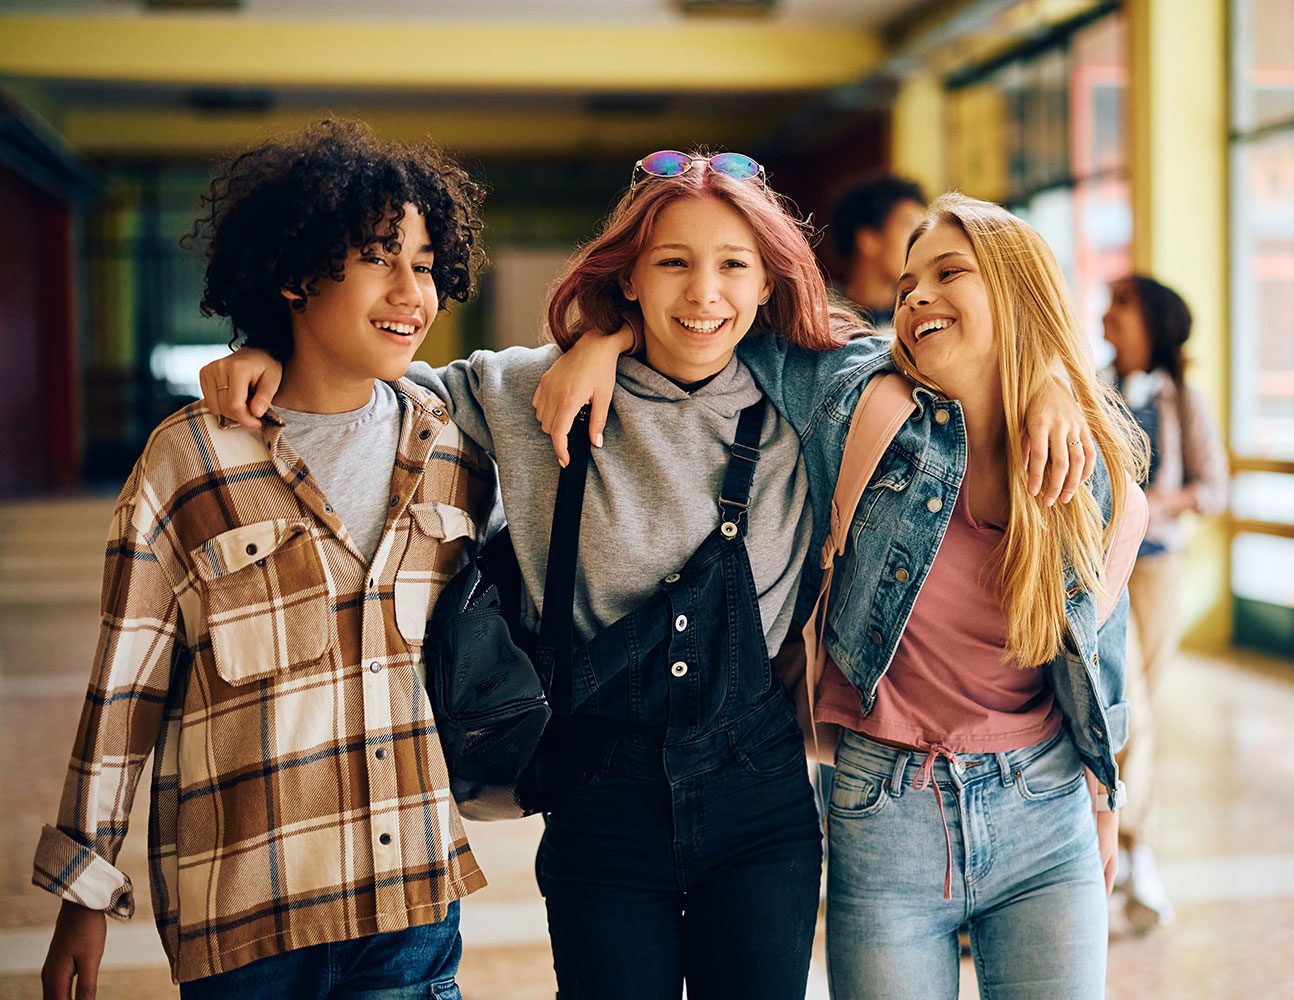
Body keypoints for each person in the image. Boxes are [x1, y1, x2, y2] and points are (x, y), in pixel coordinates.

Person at [202, 154, 1094, 999]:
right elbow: (371, 386)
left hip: (759, 797)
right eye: (673, 263)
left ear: (767, 282)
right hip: (599, 799)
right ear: (629, 275)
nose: (705, 294)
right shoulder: (526, 391)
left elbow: (952, 369)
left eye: (734, 265)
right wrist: (268, 354)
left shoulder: (812, 397)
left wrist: (1053, 376)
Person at [536, 193, 1150, 999]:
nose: (916, 296)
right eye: (906, 285)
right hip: (883, 807)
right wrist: (602, 338)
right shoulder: (856, 397)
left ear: (1019, 292)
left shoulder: (1084, 462)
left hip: (1045, 806)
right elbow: (720, 319)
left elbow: (1096, 645)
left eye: (948, 273)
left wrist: (1105, 795)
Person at [35, 119, 494, 999]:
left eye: (427, 263)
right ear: (293, 273)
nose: (414, 291)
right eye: (379, 257)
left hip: (408, 906)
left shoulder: (454, 448)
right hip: (248, 914)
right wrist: (84, 894)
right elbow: (125, 690)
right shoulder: (192, 459)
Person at [1101, 274, 1228, 930]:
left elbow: (1214, 487)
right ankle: (1131, 850)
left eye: (1122, 303)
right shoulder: (1086, 388)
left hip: (1157, 571)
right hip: (1101, 573)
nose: (1106, 313)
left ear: (1154, 321)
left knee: (1138, 704)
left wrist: (1152, 507)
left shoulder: (1183, 402)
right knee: (1134, 711)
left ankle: (1126, 849)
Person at [828, 173, 927, 329]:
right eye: (910, 228)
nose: (922, 240)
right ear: (869, 240)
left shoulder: (921, 315)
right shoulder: (820, 315)